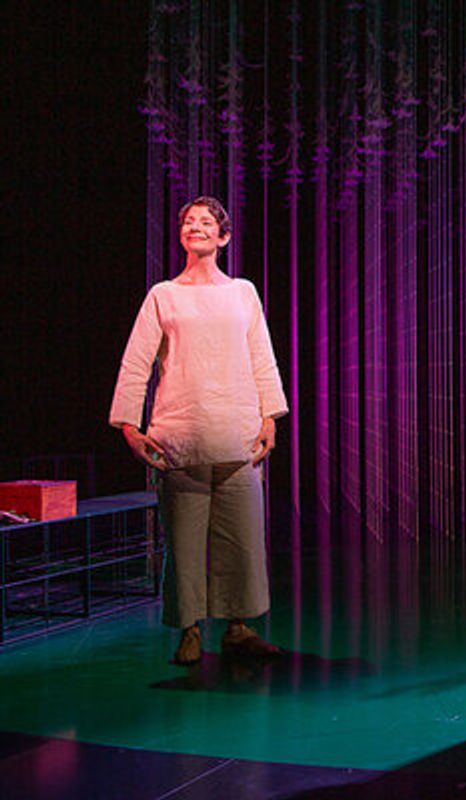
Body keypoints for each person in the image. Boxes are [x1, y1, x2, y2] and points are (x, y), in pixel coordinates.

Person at [110, 196, 288, 665]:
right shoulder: (163, 295)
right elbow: (135, 364)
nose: (197, 227)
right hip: (180, 435)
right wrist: (129, 424)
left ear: (223, 236)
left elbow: (261, 357)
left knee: (242, 540)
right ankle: (189, 630)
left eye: (207, 222)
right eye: (189, 221)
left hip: (238, 435)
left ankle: (239, 627)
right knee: (184, 543)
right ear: (182, 234)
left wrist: (270, 416)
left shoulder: (243, 292)